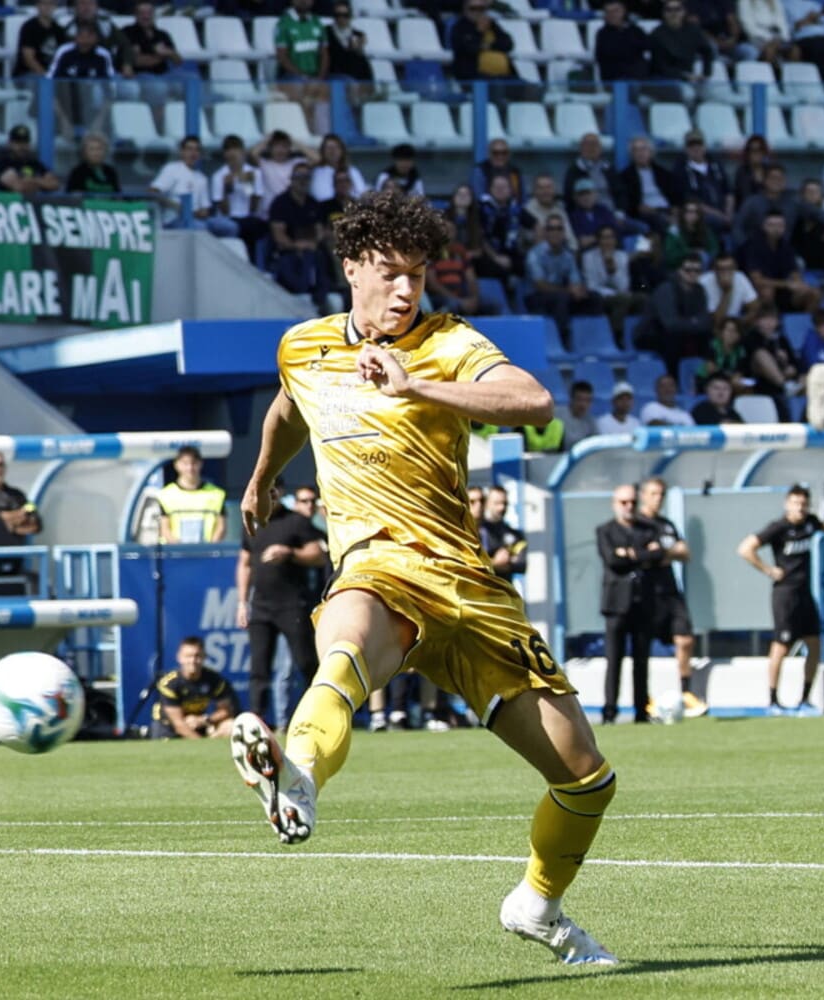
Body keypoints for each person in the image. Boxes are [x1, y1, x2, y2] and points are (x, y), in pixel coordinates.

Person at [230, 188, 621, 965]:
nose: (407, 290)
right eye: (390, 273)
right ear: (351, 270)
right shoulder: (303, 346)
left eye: (419, 274)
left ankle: (538, 907)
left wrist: (417, 385)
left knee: (587, 779)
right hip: (382, 564)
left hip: (470, 590)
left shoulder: (448, 342)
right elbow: (288, 408)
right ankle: (297, 775)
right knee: (345, 650)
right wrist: (261, 478)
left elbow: (532, 399)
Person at [739, 486, 824, 715]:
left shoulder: (810, 523)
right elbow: (746, 548)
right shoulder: (778, 528)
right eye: (795, 503)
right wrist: (768, 570)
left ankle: (804, 699)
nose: (799, 508)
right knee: (781, 646)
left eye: (803, 503)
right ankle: (772, 701)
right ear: (787, 504)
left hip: (804, 594)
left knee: (814, 645)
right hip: (785, 594)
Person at [236, 481, 326, 729]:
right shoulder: (252, 521)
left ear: (281, 494)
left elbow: (317, 555)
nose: (270, 498)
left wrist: (289, 553)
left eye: (273, 493)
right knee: (259, 668)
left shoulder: (295, 521)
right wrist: (242, 602)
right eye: (265, 493)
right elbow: (244, 563)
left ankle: (321, 714)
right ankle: (258, 722)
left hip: (291, 604)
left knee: (306, 661)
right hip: (261, 605)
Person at [636, 477, 707, 717]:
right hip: (646, 593)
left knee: (685, 639)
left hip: (670, 591)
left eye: (661, 495)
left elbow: (684, 552)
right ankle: (644, 699)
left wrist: (662, 553)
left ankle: (686, 691)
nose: (658, 499)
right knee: (642, 647)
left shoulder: (666, 525)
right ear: (643, 495)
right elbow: (641, 556)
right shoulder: (636, 524)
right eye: (653, 494)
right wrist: (660, 554)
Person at [596, 483, 658, 725]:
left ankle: (641, 711)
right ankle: (610, 710)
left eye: (632, 502)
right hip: (616, 604)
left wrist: (629, 554)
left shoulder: (648, 528)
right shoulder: (605, 531)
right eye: (624, 502)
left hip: (643, 602)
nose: (629, 507)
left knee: (641, 661)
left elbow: (657, 554)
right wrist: (640, 554)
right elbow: (612, 560)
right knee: (614, 660)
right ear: (615, 504)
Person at [526, 216, 602, 349]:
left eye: (559, 228)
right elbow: (539, 284)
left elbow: (575, 280)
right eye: (551, 228)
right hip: (537, 298)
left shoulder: (568, 255)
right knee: (562, 299)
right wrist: (569, 290)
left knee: (594, 297)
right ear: (545, 232)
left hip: (561, 295)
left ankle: (591, 341)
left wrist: (579, 290)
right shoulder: (535, 254)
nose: (555, 232)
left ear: (564, 232)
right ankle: (562, 341)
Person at [268, 162, 332, 312]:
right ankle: (301, 294)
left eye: (306, 177)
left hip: (311, 252)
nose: (302, 181)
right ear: (291, 179)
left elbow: (319, 231)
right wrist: (299, 245)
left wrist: (313, 243)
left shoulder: (313, 203)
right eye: (299, 177)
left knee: (320, 256)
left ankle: (321, 301)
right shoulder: (280, 203)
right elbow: (279, 236)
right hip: (287, 254)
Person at [153, 636, 239, 739]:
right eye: (188, 656)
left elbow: (226, 710)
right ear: (179, 657)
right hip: (168, 727)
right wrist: (202, 743)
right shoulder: (170, 683)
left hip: (199, 723)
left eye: (197, 656)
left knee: (231, 725)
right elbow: (178, 723)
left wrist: (204, 720)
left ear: (204, 657)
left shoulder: (213, 679)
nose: (193, 660)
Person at [641, 255, 713, 374]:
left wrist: (693, 323)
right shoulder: (666, 289)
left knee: (708, 337)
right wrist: (694, 322)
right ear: (679, 270)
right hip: (650, 333)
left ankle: (704, 378)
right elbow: (670, 323)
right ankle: (673, 378)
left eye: (697, 270)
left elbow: (706, 321)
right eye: (688, 270)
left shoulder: (700, 290)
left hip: (683, 332)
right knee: (673, 340)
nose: (692, 274)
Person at [741, 209, 822, 313]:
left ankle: (802, 323)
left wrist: (799, 284)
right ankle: (768, 323)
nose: (776, 229)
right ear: (763, 226)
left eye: (780, 225)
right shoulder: (752, 246)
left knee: (814, 293)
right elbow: (757, 280)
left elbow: (794, 273)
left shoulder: (786, 247)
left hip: (783, 290)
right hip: (757, 290)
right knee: (767, 291)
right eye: (772, 225)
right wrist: (786, 284)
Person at [151, 136, 228, 233]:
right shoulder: (172, 169)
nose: (193, 153)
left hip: (196, 219)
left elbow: (205, 210)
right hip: (174, 220)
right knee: (200, 227)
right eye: (189, 149)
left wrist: (196, 213)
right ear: (182, 152)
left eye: (197, 150)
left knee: (229, 227)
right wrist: (175, 206)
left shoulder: (202, 178)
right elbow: (152, 192)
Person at [156, 445, 228, 543]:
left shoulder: (216, 494)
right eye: (185, 463)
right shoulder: (166, 495)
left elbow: (221, 527)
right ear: (176, 465)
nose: (190, 468)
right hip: (173, 555)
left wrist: (210, 549)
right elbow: (164, 529)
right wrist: (180, 550)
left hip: (208, 554)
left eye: (194, 463)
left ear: (200, 464)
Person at [614, 136, 681, 233]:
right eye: (636, 150)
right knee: (660, 221)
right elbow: (629, 202)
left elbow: (675, 195)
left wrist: (676, 209)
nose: (640, 153)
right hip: (646, 213)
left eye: (643, 149)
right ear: (631, 154)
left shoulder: (663, 173)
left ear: (651, 152)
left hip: (667, 209)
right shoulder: (625, 177)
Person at [450, 0, 515, 83]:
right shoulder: (460, 28)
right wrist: (479, 32)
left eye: (481, 8)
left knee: (531, 90)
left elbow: (508, 44)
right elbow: (469, 49)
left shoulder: (491, 25)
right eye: (473, 8)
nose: (477, 12)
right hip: (475, 77)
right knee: (498, 90)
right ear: (465, 10)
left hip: (504, 76)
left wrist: (487, 46)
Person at [478, 485, 527, 581]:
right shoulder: (477, 530)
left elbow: (521, 564)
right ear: (487, 503)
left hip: (504, 592)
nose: (502, 507)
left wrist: (492, 562)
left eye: (505, 503)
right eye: (497, 503)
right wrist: (495, 563)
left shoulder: (514, 534)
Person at [594, 0, 650, 80]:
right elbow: (605, 55)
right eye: (608, 12)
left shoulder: (636, 30)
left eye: (616, 11)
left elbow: (646, 47)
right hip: (614, 76)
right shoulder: (602, 34)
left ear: (623, 11)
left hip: (638, 74)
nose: (612, 15)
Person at [14, 0, 70, 79]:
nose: (47, 7)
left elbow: (62, 56)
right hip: (28, 74)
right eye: (44, 3)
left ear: (55, 7)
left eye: (51, 4)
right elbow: (28, 58)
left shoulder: (58, 30)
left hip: (52, 75)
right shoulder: (29, 28)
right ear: (37, 6)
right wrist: (46, 76)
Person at [559, 381, 599, 447]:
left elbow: (596, 444)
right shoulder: (556, 415)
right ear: (571, 398)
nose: (583, 404)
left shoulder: (590, 421)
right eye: (579, 399)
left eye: (587, 400)